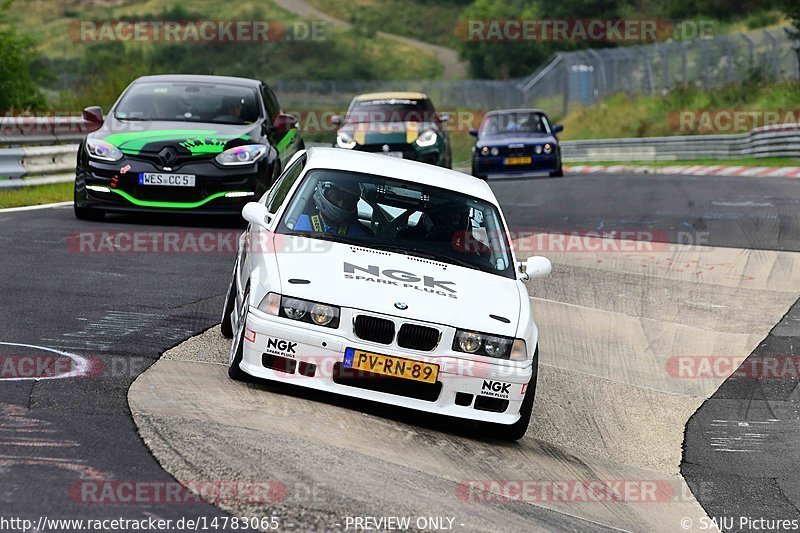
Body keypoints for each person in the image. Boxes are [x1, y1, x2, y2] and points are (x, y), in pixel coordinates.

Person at [294, 180, 371, 237]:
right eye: (336, 197)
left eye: (347, 200)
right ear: (323, 193)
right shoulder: (296, 222)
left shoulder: (360, 234)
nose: (341, 204)